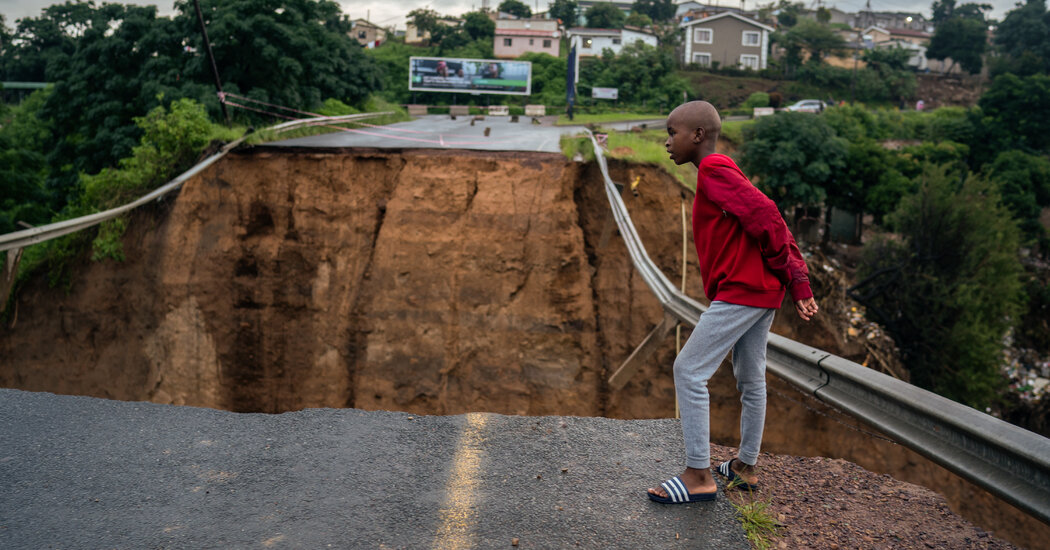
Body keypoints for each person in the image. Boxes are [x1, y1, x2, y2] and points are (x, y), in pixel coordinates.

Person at [648, 101, 819, 504]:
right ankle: (745, 466)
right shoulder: (722, 168)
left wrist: (798, 279)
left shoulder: (712, 169)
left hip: (742, 290)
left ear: (698, 135)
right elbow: (765, 217)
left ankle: (698, 474)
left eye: (673, 132)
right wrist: (794, 281)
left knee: (688, 370)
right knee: (750, 375)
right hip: (761, 290)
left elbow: (767, 215)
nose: (667, 141)